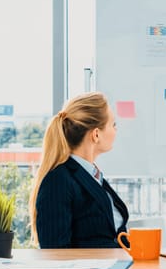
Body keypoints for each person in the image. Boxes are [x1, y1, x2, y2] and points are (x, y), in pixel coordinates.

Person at [28, 92, 129, 248]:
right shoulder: (58, 181)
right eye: (113, 124)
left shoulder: (92, 176)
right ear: (96, 134)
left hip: (116, 268)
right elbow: (55, 252)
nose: (116, 130)